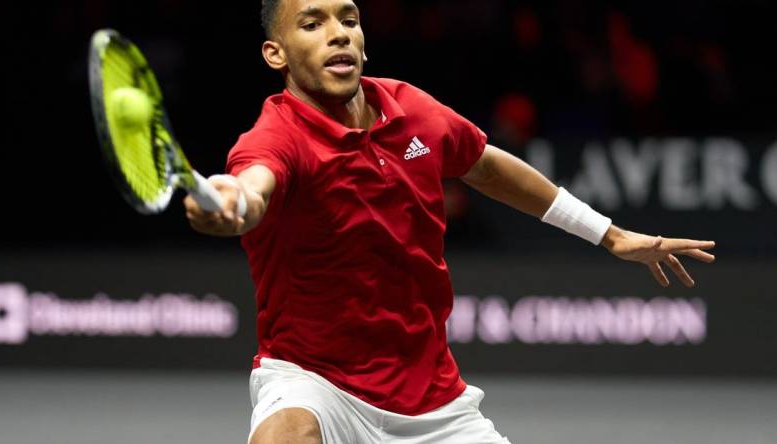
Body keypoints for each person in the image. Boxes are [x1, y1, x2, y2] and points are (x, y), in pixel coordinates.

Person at [183, 1, 716, 443]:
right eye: (312, 23)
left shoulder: (412, 109)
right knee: (286, 434)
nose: (338, 35)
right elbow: (253, 187)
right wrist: (231, 202)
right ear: (275, 53)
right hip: (317, 384)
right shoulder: (275, 139)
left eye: (348, 20)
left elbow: (484, 164)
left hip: (434, 398)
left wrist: (611, 234)